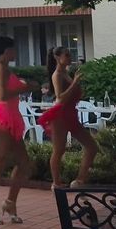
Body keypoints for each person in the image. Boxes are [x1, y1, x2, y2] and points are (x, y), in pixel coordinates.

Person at [0, 36, 32, 226]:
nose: (15, 53)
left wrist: (22, 86)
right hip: (1, 116)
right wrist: (24, 88)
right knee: (0, 161)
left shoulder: (6, 68)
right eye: (12, 49)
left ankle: (10, 202)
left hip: (11, 116)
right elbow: (1, 95)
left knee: (24, 163)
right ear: (5, 50)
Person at [37, 47, 97, 189]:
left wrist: (77, 86)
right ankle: (56, 183)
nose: (70, 58)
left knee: (91, 146)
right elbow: (60, 97)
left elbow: (71, 96)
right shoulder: (57, 75)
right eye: (67, 55)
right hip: (60, 115)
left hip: (70, 114)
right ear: (58, 57)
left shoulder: (66, 73)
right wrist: (74, 83)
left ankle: (79, 180)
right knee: (59, 149)